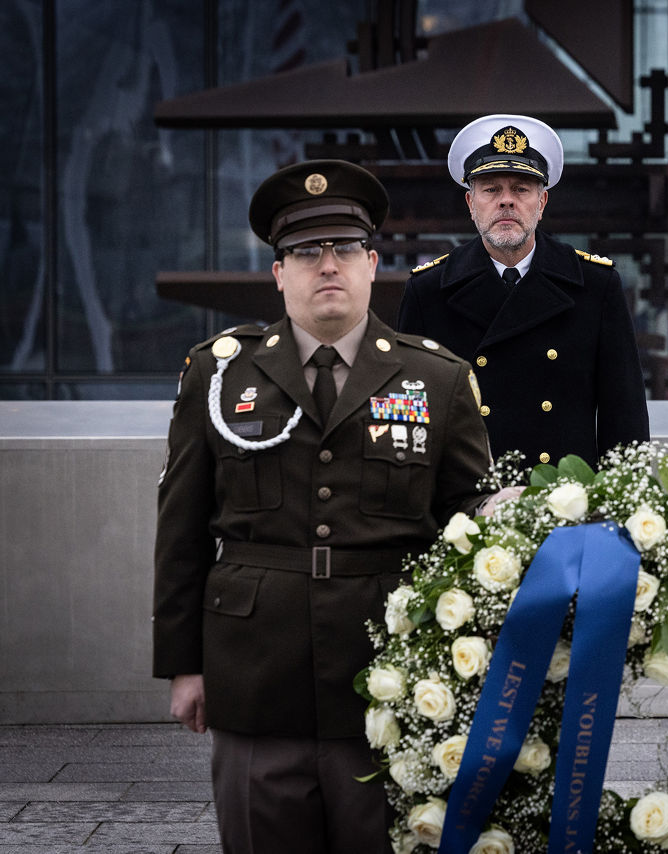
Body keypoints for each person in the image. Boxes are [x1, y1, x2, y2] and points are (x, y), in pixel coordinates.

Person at [152, 160, 501, 853]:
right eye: (306, 253)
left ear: (373, 264)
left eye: (344, 249)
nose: (327, 266)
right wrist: (183, 665)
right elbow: (182, 527)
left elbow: (471, 512)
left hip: (388, 679)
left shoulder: (438, 377)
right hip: (255, 678)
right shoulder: (219, 374)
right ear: (279, 273)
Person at [397, 113, 650, 468]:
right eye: (491, 189)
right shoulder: (429, 290)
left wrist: (621, 506)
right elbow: (411, 414)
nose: (506, 201)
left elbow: (624, 416)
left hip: (565, 503)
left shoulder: (594, 285)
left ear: (542, 203)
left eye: (520, 189)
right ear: (471, 205)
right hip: (467, 503)